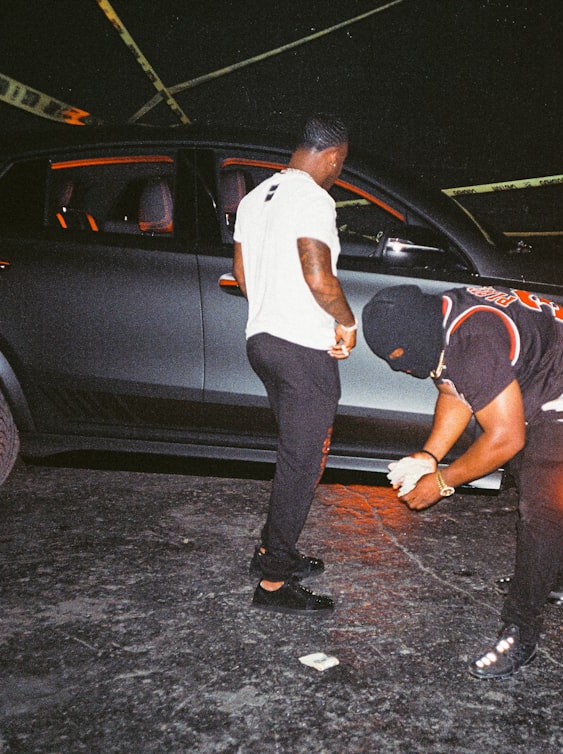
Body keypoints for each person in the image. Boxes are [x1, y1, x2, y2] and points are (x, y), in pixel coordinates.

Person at [362, 284, 563, 676]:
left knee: (540, 498)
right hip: (549, 375)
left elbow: (505, 436)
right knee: (526, 472)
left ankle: (521, 630)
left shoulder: (472, 340)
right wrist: (429, 455)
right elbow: (456, 392)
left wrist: (441, 482)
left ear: (418, 341)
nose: (403, 370)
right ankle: (553, 578)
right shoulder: (441, 319)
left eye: (402, 361)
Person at [231, 114, 355, 614]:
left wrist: (273, 304)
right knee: (302, 465)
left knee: (294, 459)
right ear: (330, 156)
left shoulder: (254, 197)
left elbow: (242, 274)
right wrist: (344, 322)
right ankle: (274, 583)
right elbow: (316, 269)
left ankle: (271, 551)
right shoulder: (312, 198)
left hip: (262, 342)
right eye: (340, 164)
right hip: (303, 350)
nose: (338, 173)